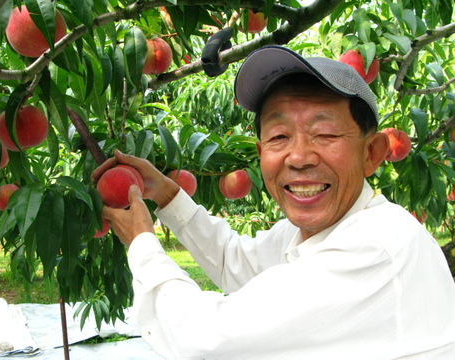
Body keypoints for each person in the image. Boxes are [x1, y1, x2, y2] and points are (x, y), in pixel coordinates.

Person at [93, 46, 455, 359]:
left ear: (372, 154)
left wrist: (141, 241)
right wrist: (167, 194)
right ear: (261, 152)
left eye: (325, 133)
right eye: (280, 135)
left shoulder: (377, 246)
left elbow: (206, 340)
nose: (299, 157)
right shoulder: (314, 232)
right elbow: (233, 261)